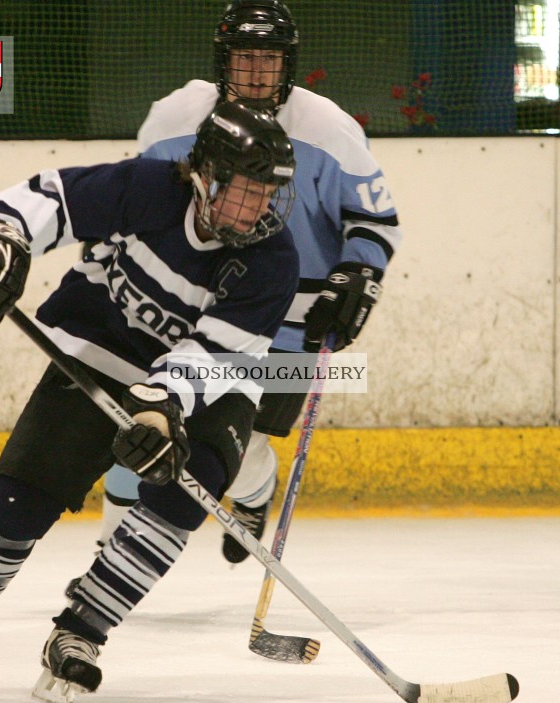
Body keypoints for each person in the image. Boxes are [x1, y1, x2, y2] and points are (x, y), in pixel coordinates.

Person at [0, 101, 299, 703]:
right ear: (203, 177)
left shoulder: (273, 262)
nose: (256, 207)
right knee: (20, 500)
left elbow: (215, 354)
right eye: (243, 190)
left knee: (192, 484)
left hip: (205, 391)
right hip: (100, 354)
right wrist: (4, 242)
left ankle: (81, 633)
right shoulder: (145, 189)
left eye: (266, 193)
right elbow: (50, 199)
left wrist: (162, 406)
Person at [82, 0, 402, 574]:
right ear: (222, 60)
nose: (257, 72)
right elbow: (140, 195)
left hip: (288, 321)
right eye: (245, 57)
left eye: (270, 59)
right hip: (184, 308)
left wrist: (360, 274)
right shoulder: (176, 116)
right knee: (138, 421)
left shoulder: (329, 129)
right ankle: (111, 543)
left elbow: (373, 220)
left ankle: (254, 494)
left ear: (289, 65)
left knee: (244, 443)